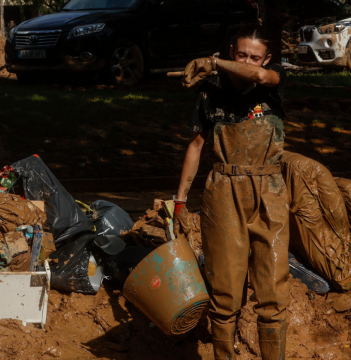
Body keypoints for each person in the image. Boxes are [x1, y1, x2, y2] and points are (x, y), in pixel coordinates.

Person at [175, 24, 289, 360]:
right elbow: (196, 146)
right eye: (242, 55)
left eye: (256, 57)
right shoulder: (210, 91)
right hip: (224, 190)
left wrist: (214, 62)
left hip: (269, 190)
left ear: (267, 58)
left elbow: (263, 77)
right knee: (224, 293)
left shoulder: (276, 79)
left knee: (273, 294)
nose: (249, 62)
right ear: (231, 51)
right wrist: (180, 200)